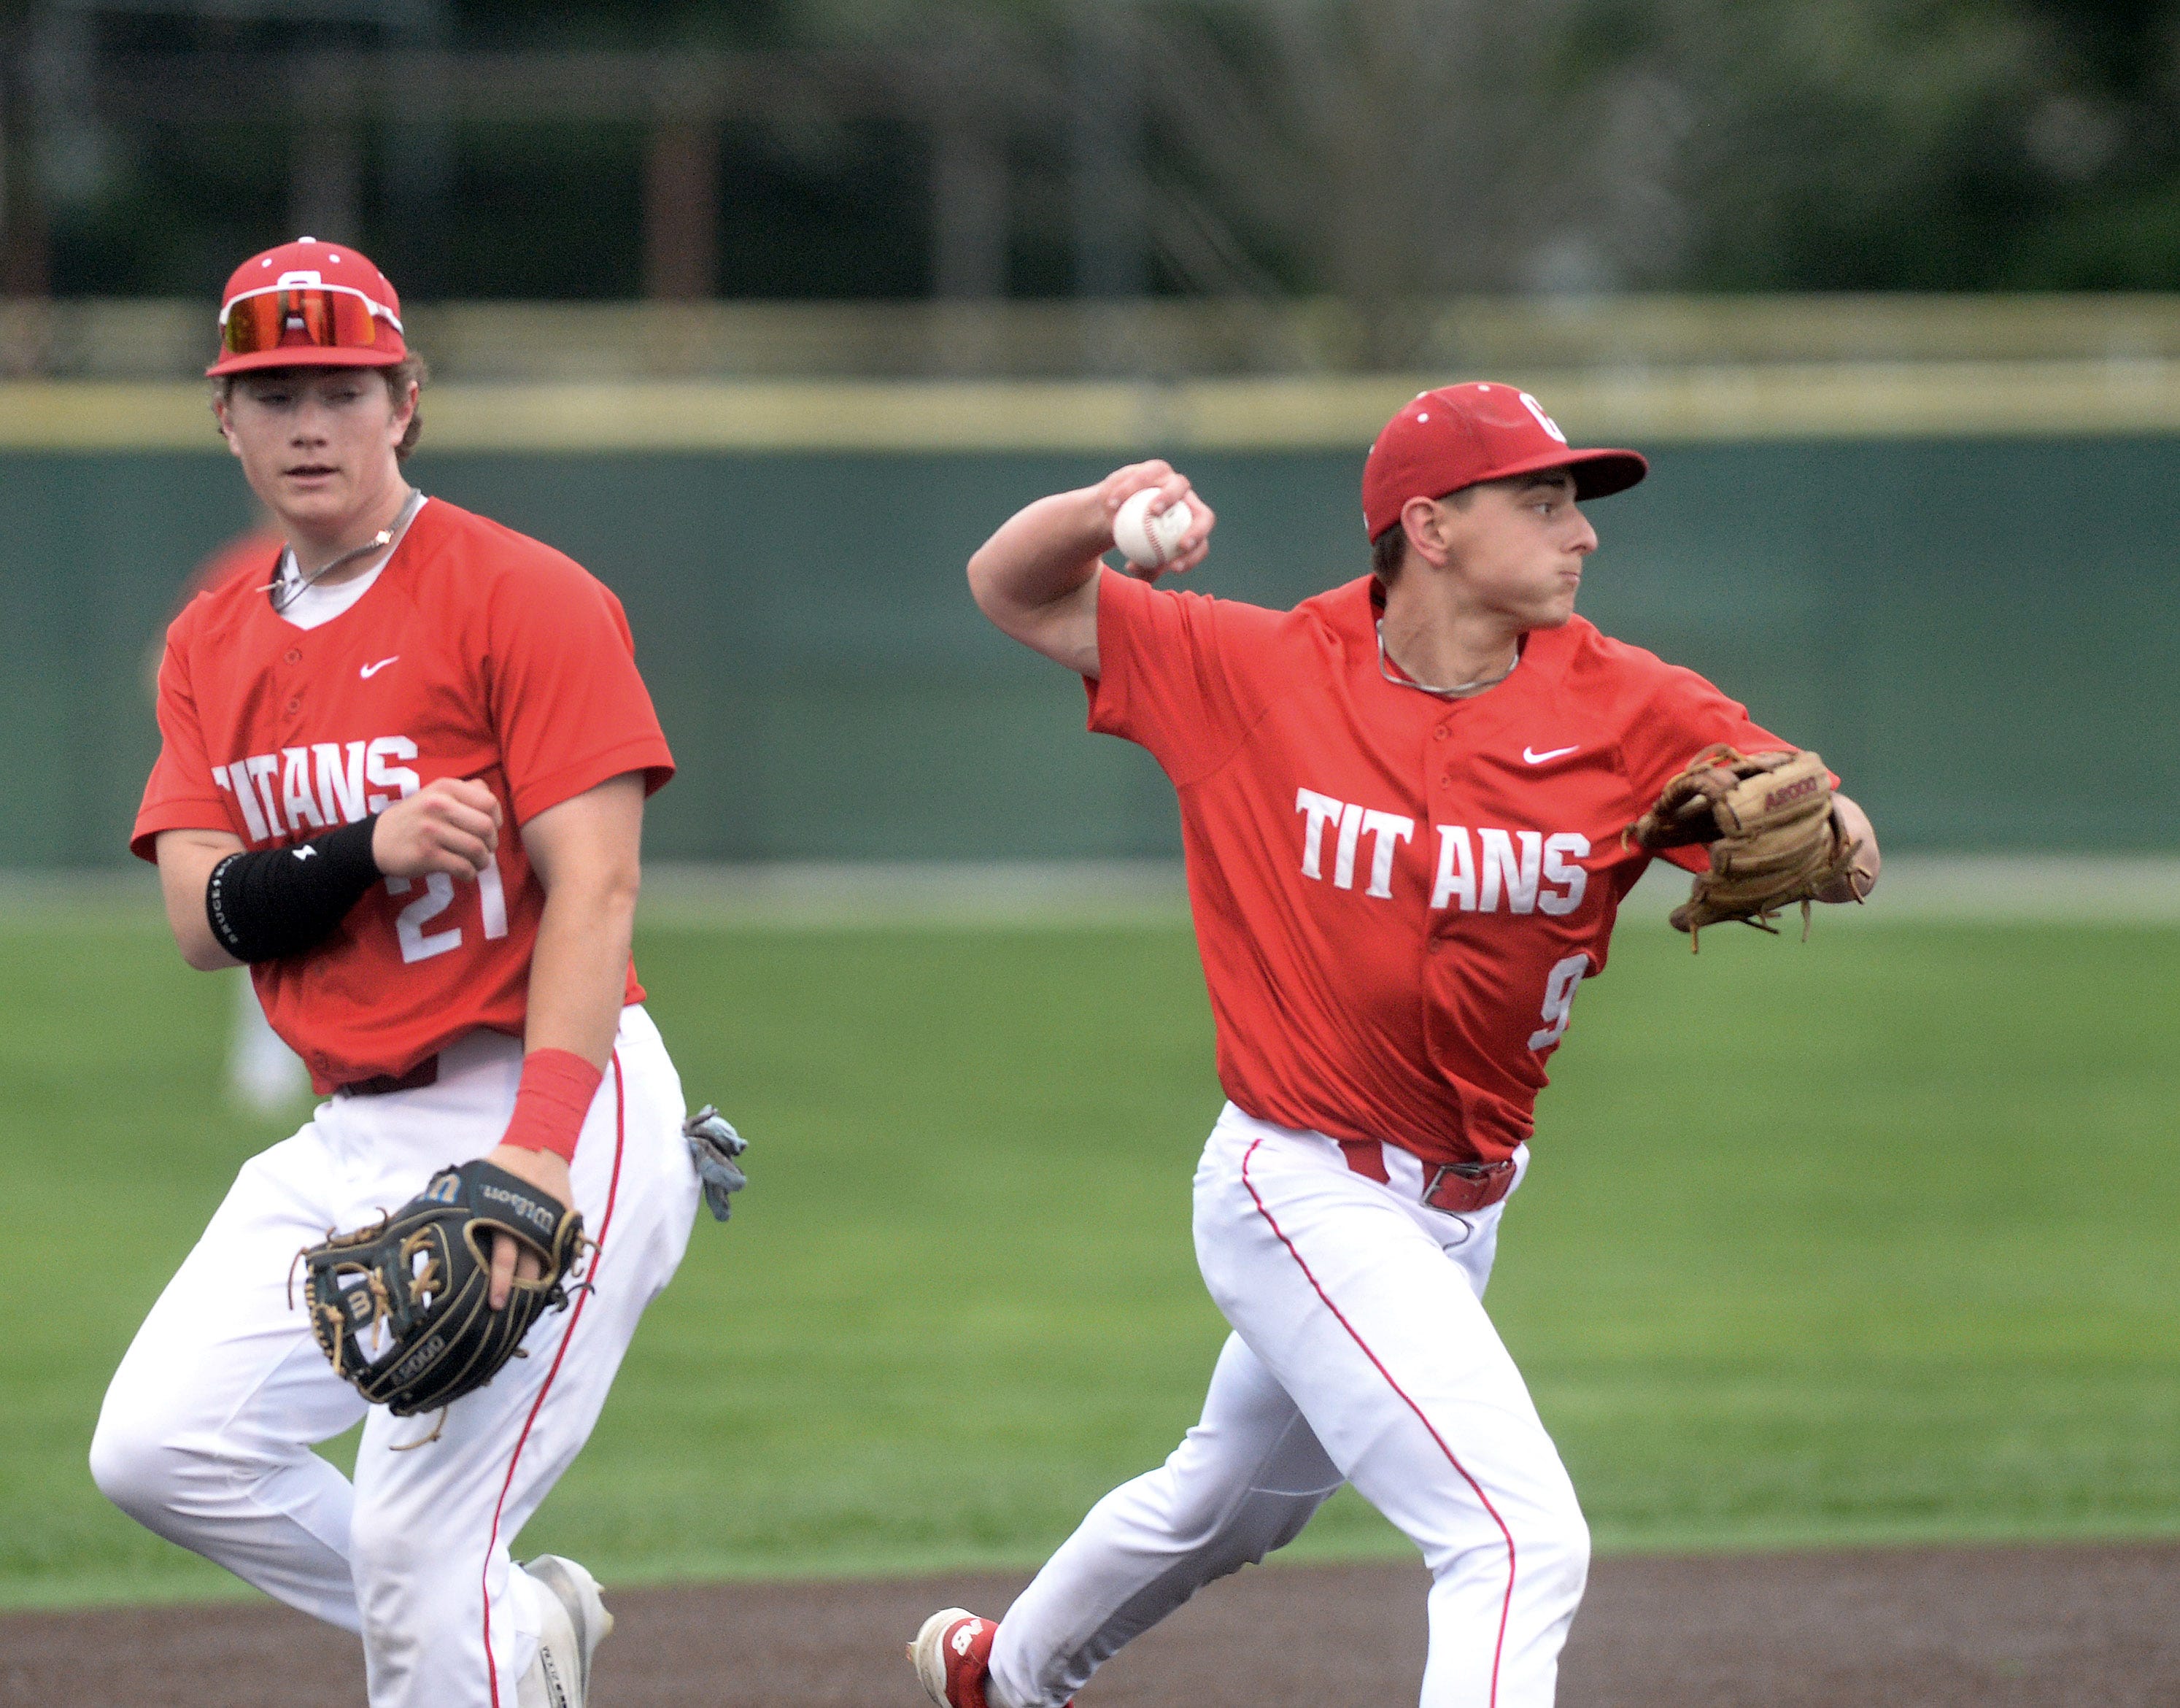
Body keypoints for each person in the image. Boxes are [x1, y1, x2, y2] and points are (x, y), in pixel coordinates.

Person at [908, 382, 1880, 1708]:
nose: (1577, 533)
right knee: (1513, 1534)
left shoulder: (1631, 704)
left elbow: (1828, 831)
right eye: (1538, 501)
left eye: (1574, 504)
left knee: (1228, 1506)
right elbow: (1009, 587)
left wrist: (1831, 847)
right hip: (1297, 1181)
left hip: (1468, 1199)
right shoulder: (1253, 669)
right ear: (1427, 524)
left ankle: (991, 1676)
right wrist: (1095, 511)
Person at [92, 236, 701, 1708]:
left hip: (546, 1098)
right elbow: (204, 913)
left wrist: (538, 1153)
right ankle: (511, 1627)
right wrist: (369, 848)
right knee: (164, 1447)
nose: (312, 423)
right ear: (223, 419)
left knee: (419, 1551)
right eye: (274, 390)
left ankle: (475, 1632)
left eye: (344, 389)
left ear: (405, 402)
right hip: (354, 1122)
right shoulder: (211, 643)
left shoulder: (523, 594)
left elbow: (596, 887)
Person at [152, 520, 316, 1115]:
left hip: (333, 771)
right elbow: (168, 666)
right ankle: (266, 1069)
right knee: (264, 914)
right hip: (267, 776)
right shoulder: (247, 566)